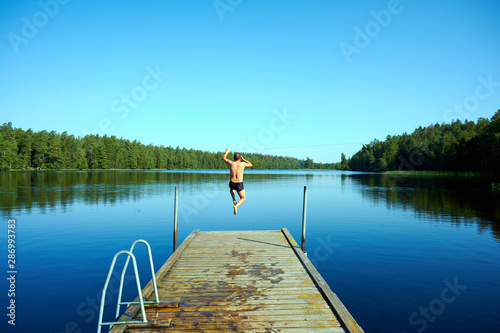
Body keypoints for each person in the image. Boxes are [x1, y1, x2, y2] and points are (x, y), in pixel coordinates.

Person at [222, 148, 252, 215]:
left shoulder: (231, 163)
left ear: (234, 158)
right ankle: (236, 206)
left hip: (232, 183)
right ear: (240, 158)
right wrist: (244, 159)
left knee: (231, 189)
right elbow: (250, 164)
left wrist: (227, 152)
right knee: (243, 198)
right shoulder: (243, 164)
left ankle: (234, 199)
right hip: (239, 184)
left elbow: (224, 158)